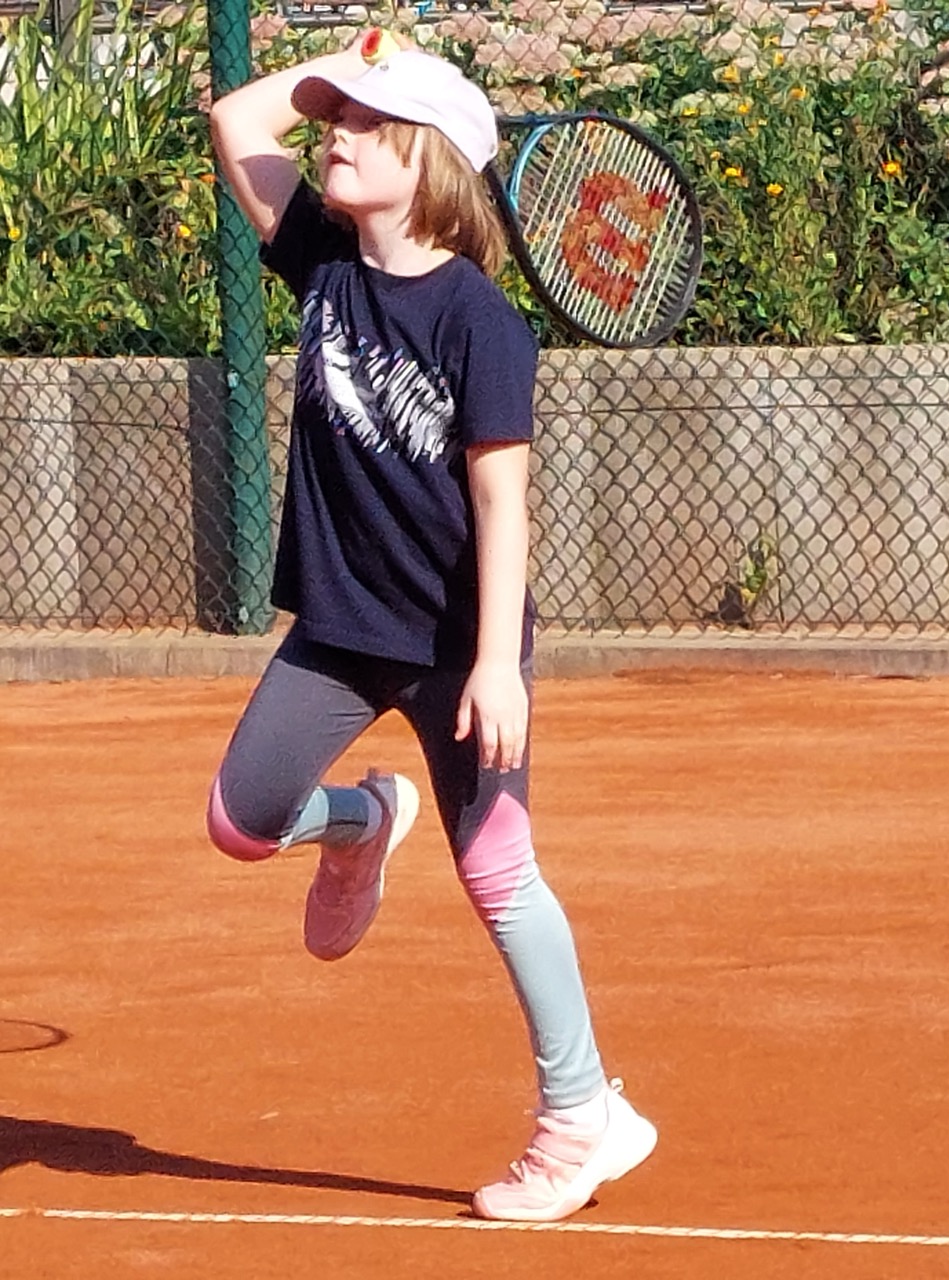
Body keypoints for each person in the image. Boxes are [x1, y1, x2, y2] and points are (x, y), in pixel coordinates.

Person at [205, 31, 657, 1223]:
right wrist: (357, 59)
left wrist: (499, 662)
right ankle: (364, 821)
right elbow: (238, 123)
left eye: (367, 123)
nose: (335, 134)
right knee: (240, 821)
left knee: (500, 868)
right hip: (342, 630)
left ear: (429, 159)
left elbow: (504, 500)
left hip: (461, 647)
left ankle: (582, 1113)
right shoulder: (323, 259)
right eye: (338, 119)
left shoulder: (481, 323)